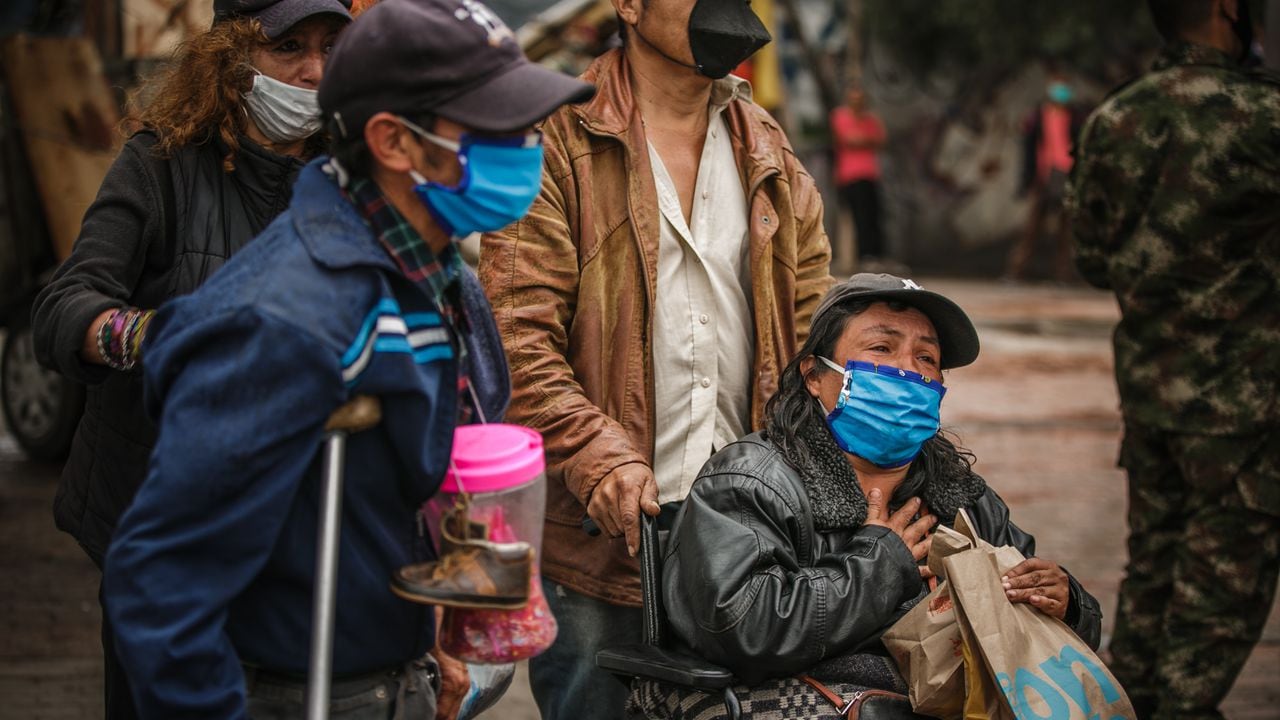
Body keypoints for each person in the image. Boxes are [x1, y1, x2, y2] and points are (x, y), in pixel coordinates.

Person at [100, 0, 594, 717]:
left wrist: (436, 632)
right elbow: (157, 581)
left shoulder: (439, 276)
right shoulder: (288, 319)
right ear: (394, 142)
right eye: (493, 125)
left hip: (399, 675)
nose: (524, 144)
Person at [478, 0, 833, 716]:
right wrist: (600, 457)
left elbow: (813, 339)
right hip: (602, 552)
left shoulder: (767, 149)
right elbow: (515, 338)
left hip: (752, 548)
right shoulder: (556, 139)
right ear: (629, 6)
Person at [30, 1, 352, 716]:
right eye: (288, 46)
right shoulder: (161, 166)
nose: (315, 71)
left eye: (333, 46)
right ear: (232, 55)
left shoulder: (356, 178)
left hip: (302, 540)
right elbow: (64, 307)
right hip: (160, 527)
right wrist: (154, 335)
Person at [636, 273, 1103, 717]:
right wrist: (879, 565)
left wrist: (1068, 604)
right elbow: (744, 629)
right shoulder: (749, 482)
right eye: (881, 348)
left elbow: (1044, 630)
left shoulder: (959, 494)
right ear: (815, 375)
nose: (907, 371)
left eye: (926, 358)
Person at [1066, 0, 1280, 717]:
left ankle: (1128, 703)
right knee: (1223, 581)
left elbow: (1093, 260)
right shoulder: (1261, 116)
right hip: (1243, 403)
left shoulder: (1113, 119)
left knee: (1154, 566)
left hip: (1151, 390)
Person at [1004, 69, 1085, 282]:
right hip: (1044, 176)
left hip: (1067, 176)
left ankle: (1063, 275)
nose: (1061, 92)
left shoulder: (1076, 117)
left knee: (1065, 231)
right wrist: (1026, 180)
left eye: (1064, 87)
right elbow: (1028, 150)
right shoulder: (1038, 116)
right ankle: (1016, 271)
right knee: (1031, 229)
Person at [829, 84, 888, 269]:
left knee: (873, 216)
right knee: (859, 217)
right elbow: (847, 139)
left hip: (870, 174)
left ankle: (876, 254)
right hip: (850, 175)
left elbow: (880, 139)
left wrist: (862, 139)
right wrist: (864, 139)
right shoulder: (840, 116)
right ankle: (864, 256)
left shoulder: (871, 119)